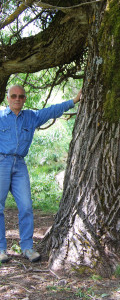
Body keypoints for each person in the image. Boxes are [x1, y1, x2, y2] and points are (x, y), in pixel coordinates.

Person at [0, 85, 82, 263]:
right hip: (1, 163)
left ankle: (27, 248)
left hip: (20, 164)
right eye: (14, 96)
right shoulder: (0, 118)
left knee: (27, 206)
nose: (17, 99)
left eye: (21, 96)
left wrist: (74, 101)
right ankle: (1, 249)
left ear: (25, 99)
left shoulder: (31, 117)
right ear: (8, 98)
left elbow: (52, 111)